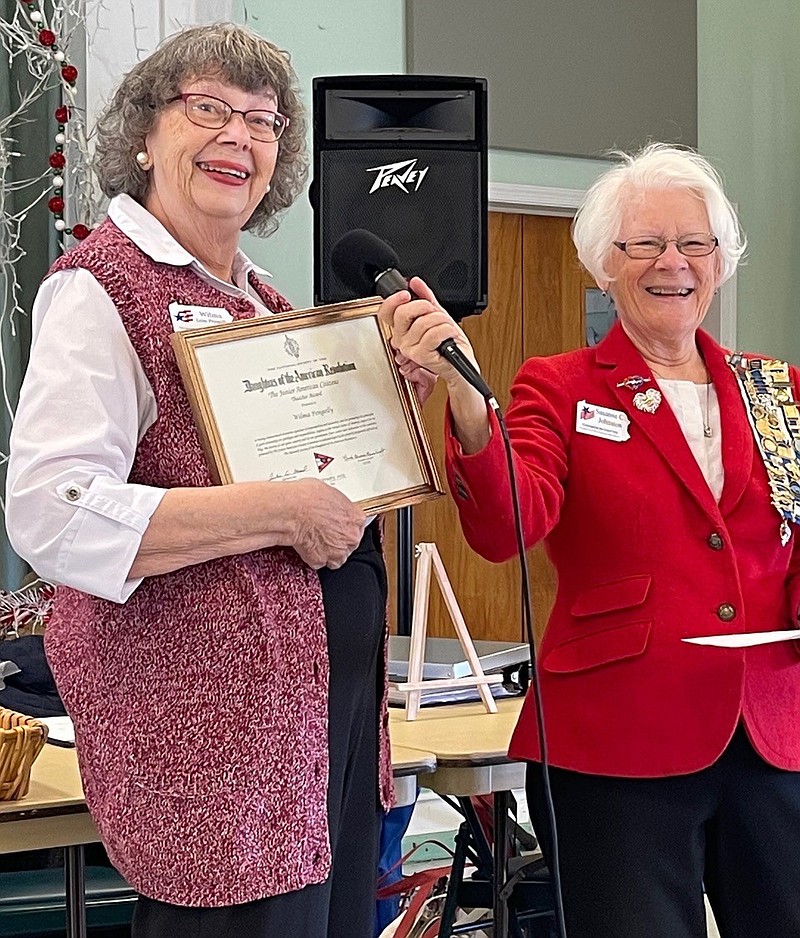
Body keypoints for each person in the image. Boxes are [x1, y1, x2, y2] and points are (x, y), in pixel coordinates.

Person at [6, 23, 433, 938]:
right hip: (212, 746)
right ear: (146, 135)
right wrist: (278, 510)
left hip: (321, 722)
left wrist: (386, 414)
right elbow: (52, 511)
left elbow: (326, 483)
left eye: (263, 121)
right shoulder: (100, 288)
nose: (239, 136)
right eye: (208, 109)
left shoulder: (265, 301)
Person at [379, 142, 800, 938]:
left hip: (774, 731)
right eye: (644, 243)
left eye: (694, 243)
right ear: (605, 263)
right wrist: (471, 406)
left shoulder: (775, 387)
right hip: (615, 742)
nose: (671, 263)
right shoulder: (561, 384)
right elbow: (510, 525)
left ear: (721, 260)